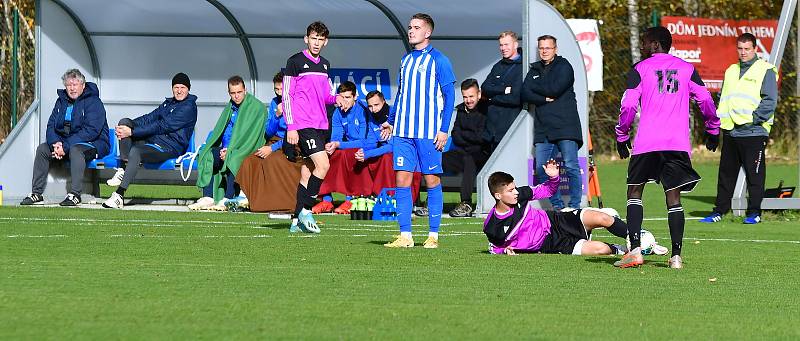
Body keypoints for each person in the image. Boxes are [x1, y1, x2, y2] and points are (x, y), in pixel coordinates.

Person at [615, 26, 720, 269]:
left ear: (655, 44)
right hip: (676, 143)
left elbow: (629, 104)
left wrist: (621, 135)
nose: (641, 46)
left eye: (644, 42)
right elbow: (705, 98)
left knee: (634, 193)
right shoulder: (687, 69)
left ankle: (635, 251)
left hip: (647, 143)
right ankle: (676, 257)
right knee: (673, 197)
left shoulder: (639, 69)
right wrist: (712, 129)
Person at [381, 13, 456, 249]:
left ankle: (433, 235)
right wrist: (391, 121)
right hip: (403, 131)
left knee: (431, 179)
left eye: (416, 27)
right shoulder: (405, 60)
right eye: (410, 27)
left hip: (428, 132)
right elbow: (401, 94)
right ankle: (405, 236)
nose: (411, 31)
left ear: (428, 32)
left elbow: (450, 96)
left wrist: (444, 130)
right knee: (402, 179)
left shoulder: (439, 60)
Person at [700, 33, 778, 225]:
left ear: (755, 49)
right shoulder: (731, 70)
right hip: (731, 131)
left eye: (747, 49)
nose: (743, 53)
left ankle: (754, 213)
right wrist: (715, 128)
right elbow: (724, 101)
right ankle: (719, 211)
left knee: (755, 175)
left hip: (753, 131)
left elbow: (770, 101)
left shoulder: (765, 70)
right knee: (725, 175)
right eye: (740, 48)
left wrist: (754, 119)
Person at [282, 21, 349, 233]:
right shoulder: (294, 62)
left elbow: (325, 96)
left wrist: (337, 98)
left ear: (325, 41)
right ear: (306, 39)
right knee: (324, 166)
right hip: (303, 125)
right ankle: (307, 210)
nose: (317, 42)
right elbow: (287, 96)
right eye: (313, 38)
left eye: (321, 39)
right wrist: (291, 127)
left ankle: (295, 222)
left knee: (307, 173)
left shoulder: (325, 65)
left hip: (320, 125)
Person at [484, 164, 629, 256]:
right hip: (552, 243)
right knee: (601, 249)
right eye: (510, 190)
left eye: (514, 187)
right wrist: (504, 251)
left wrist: (554, 178)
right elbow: (493, 247)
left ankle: (637, 239)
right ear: (498, 195)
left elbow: (548, 190)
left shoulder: (521, 194)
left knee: (602, 218)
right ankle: (621, 249)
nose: (516, 192)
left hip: (557, 220)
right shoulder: (492, 225)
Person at [102, 72, 198, 209]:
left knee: (136, 151)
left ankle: (119, 195)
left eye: (182, 87)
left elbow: (162, 126)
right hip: (154, 141)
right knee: (125, 122)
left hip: (170, 147)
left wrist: (132, 132)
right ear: (172, 88)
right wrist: (129, 127)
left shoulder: (189, 107)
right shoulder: (168, 103)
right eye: (176, 87)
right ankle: (123, 168)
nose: (179, 91)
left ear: (188, 89)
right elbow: (150, 117)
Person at [20, 69, 109, 206]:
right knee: (43, 149)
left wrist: (65, 146)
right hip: (66, 144)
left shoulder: (94, 102)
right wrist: (55, 143)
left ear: (83, 85)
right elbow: (51, 125)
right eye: (68, 85)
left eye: (75, 84)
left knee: (76, 150)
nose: (72, 88)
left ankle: (75, 194)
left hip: (94, 143)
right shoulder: (61, 101)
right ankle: (36, 193)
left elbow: (91, 131)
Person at [521, 35, 583, 211]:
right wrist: (544, 97)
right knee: (541, 169)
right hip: (543, 128)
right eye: (541, 48)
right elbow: (524, 93)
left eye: (547, 48)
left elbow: (555, 89)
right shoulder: (534, 69)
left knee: (571, 166)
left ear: (555, 49)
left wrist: (536, 89)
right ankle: (557, 206)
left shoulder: (564, 66)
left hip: (566, 126)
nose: (544, 51)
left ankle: (574, 206)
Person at [190, 75, 267, 210]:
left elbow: (250, 137)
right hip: (228, 148)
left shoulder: (256, 107)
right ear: (229, 93)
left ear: (245, 90)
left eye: (239, 92)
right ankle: (208, 197)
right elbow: (222, 130)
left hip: (245, 149)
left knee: (234, 157)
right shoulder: (230, 107)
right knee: (207, 153)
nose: (236, 96)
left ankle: (228, 197)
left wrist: (230, 150)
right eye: (233, 93)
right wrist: (224, 148)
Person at [235, 71, 305, 212]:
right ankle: (244, 197)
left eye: (282, 89)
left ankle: (273, 202)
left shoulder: (298, 103)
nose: (279, 93)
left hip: (292, 144)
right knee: (250, 160)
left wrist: (272, 149)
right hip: (274, 141)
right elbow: (269, 131)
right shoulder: (274, 102)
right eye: (276, 89)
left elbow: (297, 134)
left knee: (272, 160)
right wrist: (277, 115)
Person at [314, 81, 371, 214]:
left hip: (364, 147)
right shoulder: (337, 113)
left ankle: (350, 199)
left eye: (348, 97)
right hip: (346, 147)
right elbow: (336, 137)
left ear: (355, 97)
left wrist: (339, 144)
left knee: (349, 155)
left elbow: (363, 141)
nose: (344, 101)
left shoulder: (363, 111)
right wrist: (332, 145)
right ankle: (327, 200)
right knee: (325, 155)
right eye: (342, 97)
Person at [443, 79, 490, 217]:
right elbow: (455, 134)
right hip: (461, 152)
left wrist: (465, 136)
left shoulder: (486, 109)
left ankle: (466, 203)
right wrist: (469, 136)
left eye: (471, 96)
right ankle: (433, 201)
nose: (468, 100)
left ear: (479, 94)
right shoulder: (461, 110)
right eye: (465, 97)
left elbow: (482, 137)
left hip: (481, 154)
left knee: (469, 160)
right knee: (438, 160)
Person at [481, 30, 523, 152]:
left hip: (509, 129)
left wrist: (492, 98)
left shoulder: (523, 67)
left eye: (506, 44)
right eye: (501, 45)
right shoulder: (498, 65)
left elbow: (515, 98)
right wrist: (504, 90)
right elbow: (485, 88)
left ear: (515, 45)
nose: (503, 48)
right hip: (491, 132)